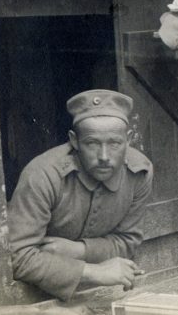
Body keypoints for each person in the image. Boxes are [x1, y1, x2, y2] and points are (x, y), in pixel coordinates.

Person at [8, 90, 153, 301]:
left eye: (114, 143)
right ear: (74, 141)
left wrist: (78, 251)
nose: (104, 157)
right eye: (92, 143)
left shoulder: (139, 172)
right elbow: (17, 257)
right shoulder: (43, 174)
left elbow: (129, 241)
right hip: (35, 294)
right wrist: (93, 271)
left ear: (128, 139)